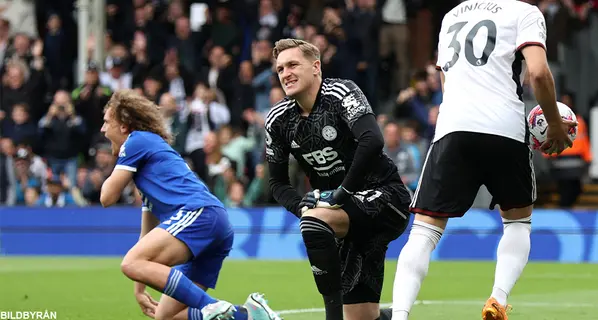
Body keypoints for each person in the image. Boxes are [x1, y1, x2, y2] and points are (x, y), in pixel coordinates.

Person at [390, 1, 577, 320]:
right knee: (518, 222)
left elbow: (446, 82)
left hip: (453, 127)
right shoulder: (525, 12)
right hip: (504, 126)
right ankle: (498, 299)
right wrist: (555, 125)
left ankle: (400, 315)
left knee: (423, 232)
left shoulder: (451, 15)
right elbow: (538, 73)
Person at [99, 90, 281, 320]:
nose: (103, 130)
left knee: (129, 263)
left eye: (107, 122)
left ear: (124, 125)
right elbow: (146, 236)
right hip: (214, 222)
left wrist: (117, 163)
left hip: (199, 215)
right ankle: (249, 315)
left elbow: (107, 197)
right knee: (165, 316)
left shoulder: (136, 141)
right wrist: (140, 288)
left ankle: (212, 305)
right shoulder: (149, 162)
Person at [265, 38, 411, 320]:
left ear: (316, 67)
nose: (285, 73)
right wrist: (302, 207)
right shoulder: (278, 120)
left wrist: (340, 194)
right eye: (280, 68)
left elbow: (372, 140)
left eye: (293, 64)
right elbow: (277, 183)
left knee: (315, 224)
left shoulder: (341, 93)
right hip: (341, 215)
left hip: (385, 198)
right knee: (362, 317)